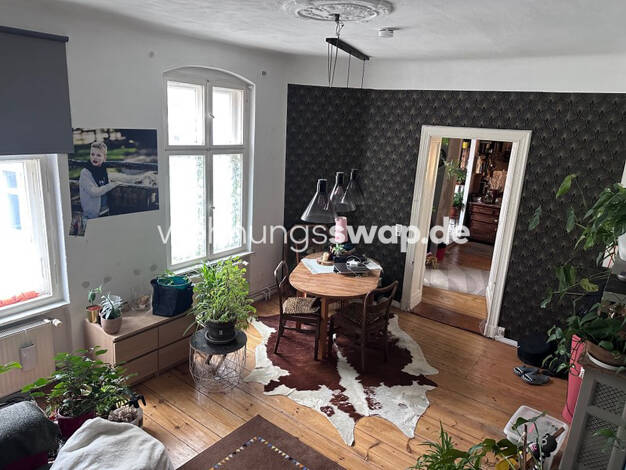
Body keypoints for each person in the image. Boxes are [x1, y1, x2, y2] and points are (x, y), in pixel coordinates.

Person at [79, 142, 119, 219]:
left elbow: (105, 183)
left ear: (104, 158)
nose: (95, 157)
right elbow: (94, 192)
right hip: (92, 214)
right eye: (92, 154)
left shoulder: (102, 170)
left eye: (98, 155)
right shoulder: (85, 173)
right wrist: (111, 185)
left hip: (106, 210)